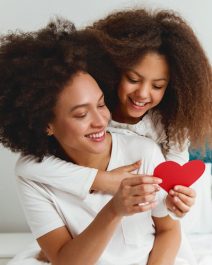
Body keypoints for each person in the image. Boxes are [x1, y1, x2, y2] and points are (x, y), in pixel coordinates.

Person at [0, 19, 183, 265]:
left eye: (100, 104)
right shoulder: (35, 178)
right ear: (46, 124)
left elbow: (168, 230)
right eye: (81, 114)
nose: (100, 121)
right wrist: (114, 209)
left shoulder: (143, 152)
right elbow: (66, 262)